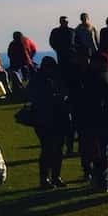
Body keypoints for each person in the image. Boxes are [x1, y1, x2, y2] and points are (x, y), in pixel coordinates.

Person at [81, 55, 108, 191]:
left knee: (100, 154)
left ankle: (102, 183)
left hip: (102, 121)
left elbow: (95, 104)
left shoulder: (98, 80)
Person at [27, 57, 69, 188]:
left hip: (53, 118)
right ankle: (48, 178)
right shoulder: (40, 80)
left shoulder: (47, 78)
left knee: (55, 149)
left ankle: (53, 177)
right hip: (46, 119)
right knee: (49, 149)